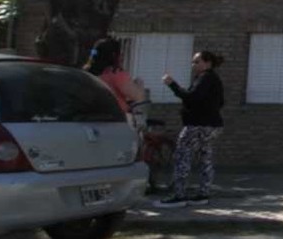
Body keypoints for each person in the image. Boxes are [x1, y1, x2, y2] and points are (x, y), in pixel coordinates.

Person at [152, 51, 225, 208]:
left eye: (197, 62)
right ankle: (203, 194)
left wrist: (172, 84)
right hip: (212, 125)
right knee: (205, 158)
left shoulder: (205, 78)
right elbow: (220, 102)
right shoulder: (213, 79)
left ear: (207, 63)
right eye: (193, 62)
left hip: (197, 125)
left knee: (182, 156)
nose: (193, 65)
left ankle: (179, 195)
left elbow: (191, 97)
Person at [84, 37, 147, 118]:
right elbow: (139, 97)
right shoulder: (116, 74)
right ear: (114, 55)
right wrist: (139, 84)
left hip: (89, 119)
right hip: (115, 120)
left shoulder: (86, 73)